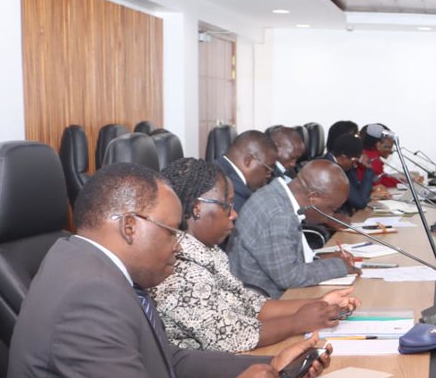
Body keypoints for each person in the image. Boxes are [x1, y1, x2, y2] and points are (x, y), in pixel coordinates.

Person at [3, 163, 331, 378]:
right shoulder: (90, 293)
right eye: (172, 231)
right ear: (130, 226)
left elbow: (167, 359)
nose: (179, 244)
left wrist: (272, 366)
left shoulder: (87, 263)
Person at [151, 158, 360, 352]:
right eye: (227, 205)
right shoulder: (178, 267)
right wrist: (298, 321)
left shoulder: (209, 251)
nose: (235, 214)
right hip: (210, 374)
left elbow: (250, 303)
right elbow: (229, 337)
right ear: (197, 208)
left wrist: (319, 303)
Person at [227, 160, 360, 297]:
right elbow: (289, 277)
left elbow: (284, 257)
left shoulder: (275, 195)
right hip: (266, 301)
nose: (331, 215)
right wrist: (339, 266)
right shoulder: (279, 214)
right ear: (313, 197)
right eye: (331, 208)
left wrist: (322, 259)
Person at [322, 132, 388, 214]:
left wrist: (370, 195)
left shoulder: (338, 164)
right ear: (343, 158)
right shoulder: (331, 170)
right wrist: (369, 169)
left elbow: (357, 192)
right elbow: (360, 203)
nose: (355, 164)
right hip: (331, 222)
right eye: (354, 161)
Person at [217, 130, 278, 213]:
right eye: (268, 169)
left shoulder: (217, 168)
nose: (269, 175)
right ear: (248, 161)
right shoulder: (232, 191)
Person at [362, 122, 400, 188]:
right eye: (389, 146)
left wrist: (406, 180)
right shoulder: (373, 159)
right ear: (378, 145)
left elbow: (382, 179)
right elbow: (378, 184)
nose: (391, 151)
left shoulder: (368, 154)